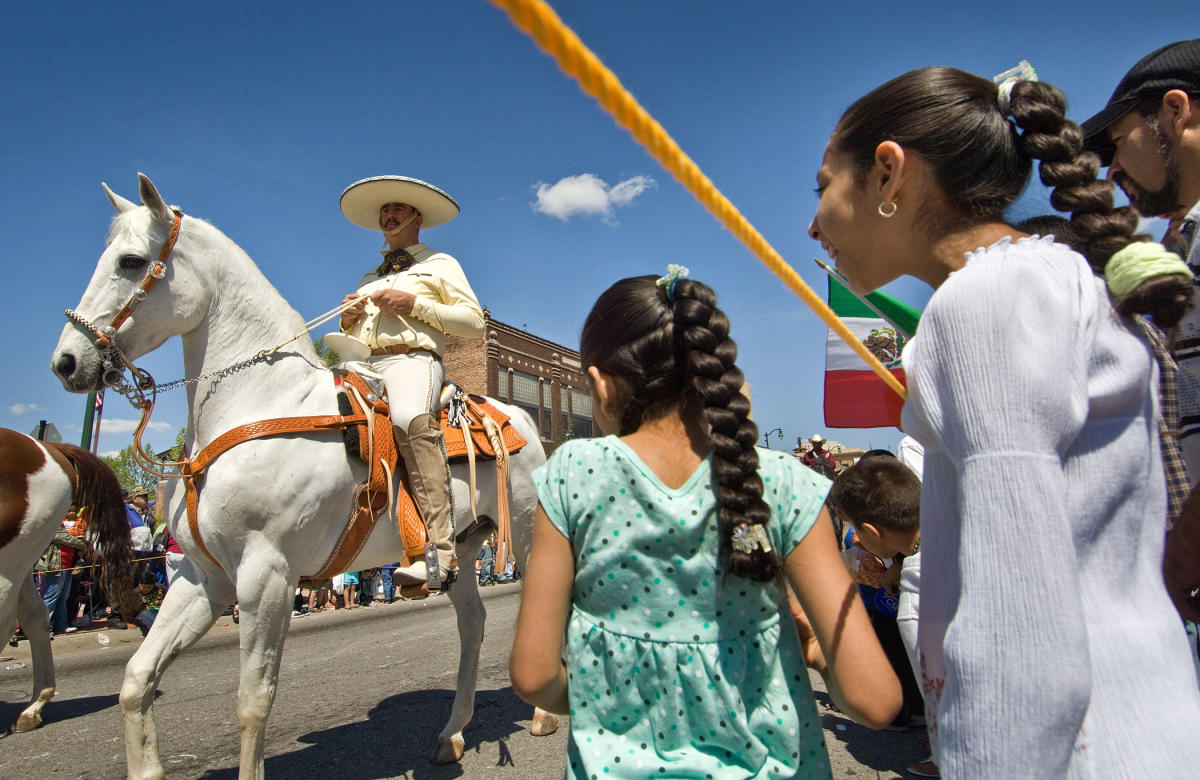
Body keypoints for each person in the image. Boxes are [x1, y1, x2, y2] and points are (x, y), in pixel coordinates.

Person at [807, 65, 1200, 776]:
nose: (813, 223)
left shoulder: (984, 299)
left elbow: (1019, 622)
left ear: (889, 172)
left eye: (824, 186)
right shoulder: (1060, 277)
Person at [510, 270, 900, 779]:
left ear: (601, 385)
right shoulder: (783, 482)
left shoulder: (572, 475)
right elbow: (875, 701)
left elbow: (534, 675)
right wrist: (812, 652)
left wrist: (600, 698)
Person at [1079, 39, 1200, 668]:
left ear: (1175, 112)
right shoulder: (1180, 245)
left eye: (1117, 141)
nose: (1109, 173)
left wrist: (1187, 545)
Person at [337, 176, 485, 591]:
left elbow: (474, 324)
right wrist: (350, 319)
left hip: (412, 360)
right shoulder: (371, 276)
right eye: (384, 211)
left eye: (397, 209)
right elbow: (360, 330)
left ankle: (440, 549)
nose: (388, 215)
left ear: (417, 217)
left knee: (409, 420)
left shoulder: (440, 264)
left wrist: (414, 304)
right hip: (363, 362)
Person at [830, 451, 936, 778]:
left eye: (857, 533)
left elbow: (938, 688)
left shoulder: (915, 600)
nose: (856, 540)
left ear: (873, 533)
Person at [35, 507, 88, 634]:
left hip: (66, 566)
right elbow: (69, 540)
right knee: (51, 597)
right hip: (54, 567)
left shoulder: (62, 526)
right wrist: (82, 543)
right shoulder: (50, 527)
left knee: (63, 597)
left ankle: (61, 625)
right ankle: (43, 628)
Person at [130, 567, 166, 636]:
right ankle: (158, 633)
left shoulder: (160, 588)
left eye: (149, 587)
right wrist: (130, 622)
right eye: (144, 587)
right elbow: (129, 611)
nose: (146, 589)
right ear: (139, 585)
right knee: (145, 614)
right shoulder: (135, 594)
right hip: (144, 616)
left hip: (159, 612)